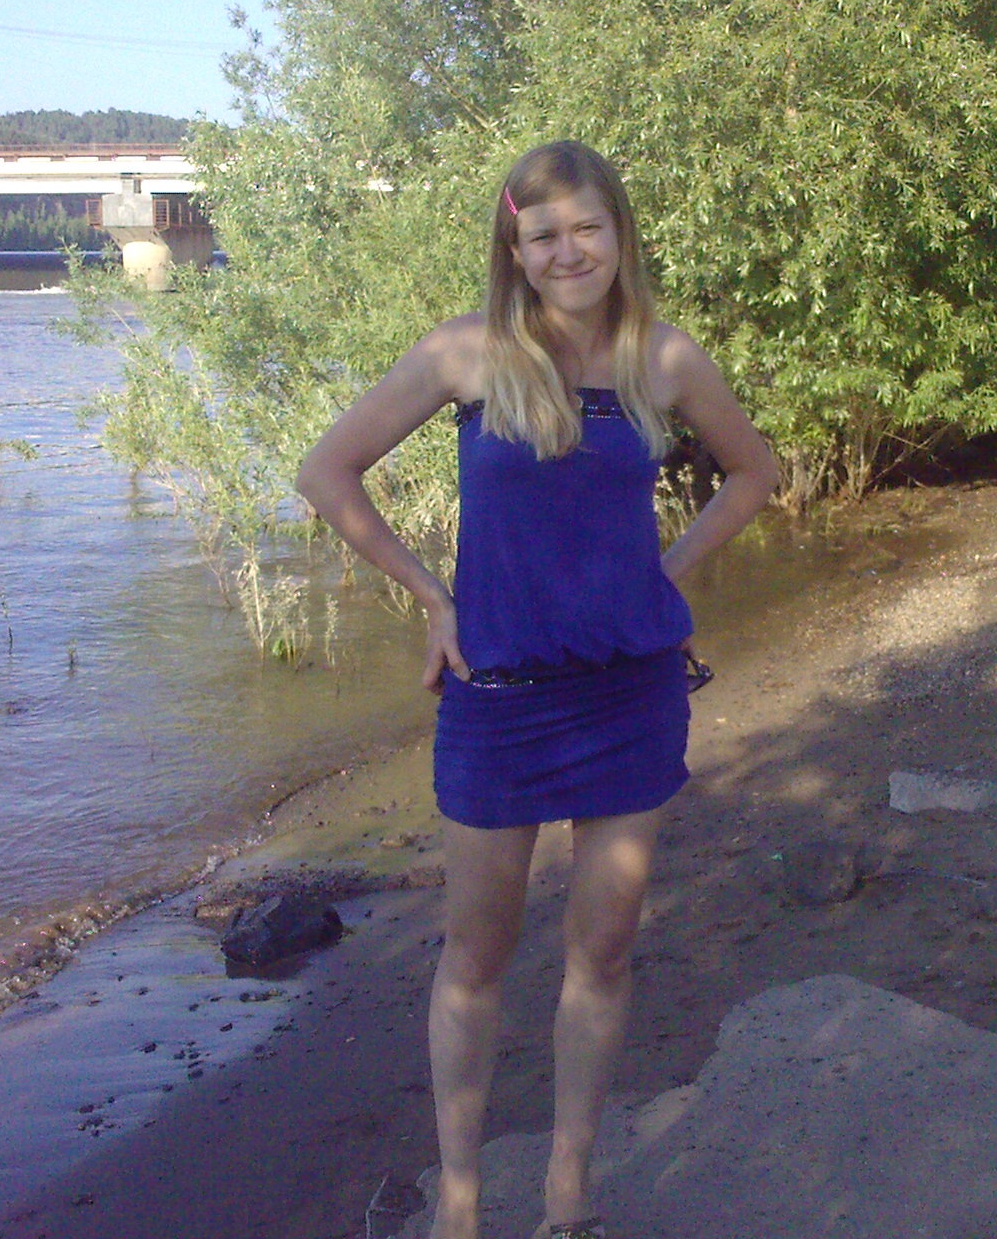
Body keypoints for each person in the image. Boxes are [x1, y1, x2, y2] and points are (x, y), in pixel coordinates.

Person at [297, 140, 779, 1239]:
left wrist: (663, 573)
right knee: (475, 955)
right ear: (513, 250)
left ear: (619, 234)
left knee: (601, 950)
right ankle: (461, 1203)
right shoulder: (463, 354)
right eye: (544, 235)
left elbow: (755, 472)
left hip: (630, 697)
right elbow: (326, 471)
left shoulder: (664, 359)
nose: (569, 253)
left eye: (587, 229)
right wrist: (432, 596)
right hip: (499, 699)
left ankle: (568, 1192)